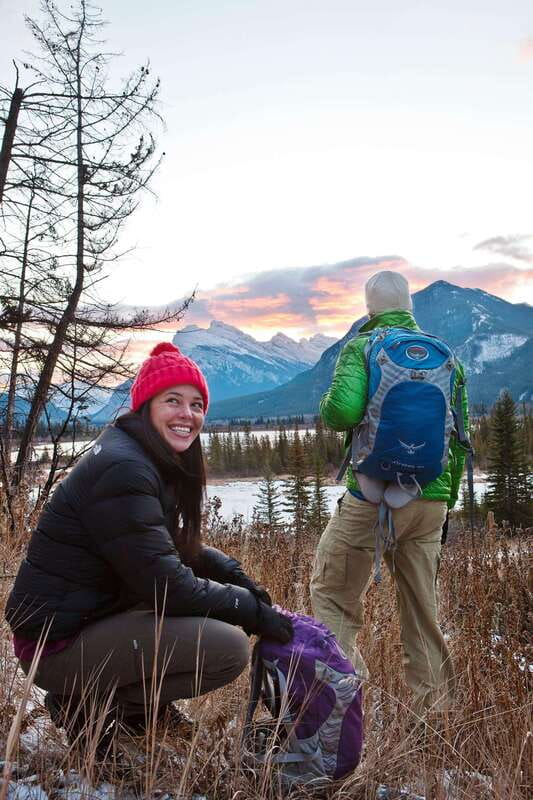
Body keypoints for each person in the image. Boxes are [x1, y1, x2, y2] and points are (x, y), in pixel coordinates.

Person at [6, 342, 292, 749]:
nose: (187, 414)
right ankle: (88, 706)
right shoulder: (125, 468)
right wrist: (247, 610)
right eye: (172, 400)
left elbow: (158, 545)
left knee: (207, 623)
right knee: (227, 647)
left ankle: (136, 710)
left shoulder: (139, 455)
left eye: (196, 405)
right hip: (55, 645)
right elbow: (166, 585)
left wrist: (228, 570)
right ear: (146, 406)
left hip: (81, 621)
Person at [310, 270, 468, 716]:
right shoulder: (448, 358)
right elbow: (459, 438)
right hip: (430, 502)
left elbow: (341, 412)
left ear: (370, 308)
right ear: (409, 307)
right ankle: (434, 719)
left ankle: (342, 706)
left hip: (371, 498)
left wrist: (326, 404)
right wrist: (444, 502)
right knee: (423, 613)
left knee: (333, 595)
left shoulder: (362, 347)